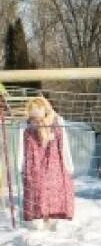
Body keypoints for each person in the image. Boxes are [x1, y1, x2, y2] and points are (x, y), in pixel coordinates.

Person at [19, 94, 75, 228]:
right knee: (38, 188)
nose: (36, 121)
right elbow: (21, 148)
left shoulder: (57, 123)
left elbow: (64, 144)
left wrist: (68, 165)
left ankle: (52, 219)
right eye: (33, 118)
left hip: (53, 164)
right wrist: (21, 167)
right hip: (35, 166)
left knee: (52, 188)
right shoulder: (26, 127)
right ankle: (40, 218)